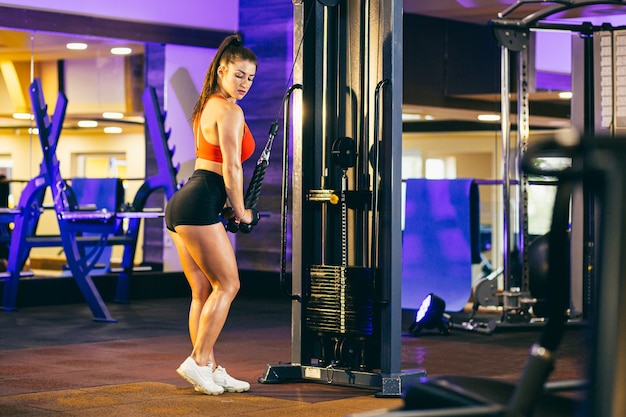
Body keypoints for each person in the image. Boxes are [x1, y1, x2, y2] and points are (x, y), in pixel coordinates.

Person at [164, 34, 258, 395]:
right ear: (222, 71)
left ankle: (211, 367)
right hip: (201, 200)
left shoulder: (206, 106)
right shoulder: (230, 110)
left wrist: (226, 206)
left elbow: (214, 162)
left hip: (185, 202)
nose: (244, 84)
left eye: (250, 78)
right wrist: (241, 211)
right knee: (229, 285)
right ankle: (198, 361)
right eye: (238, 75)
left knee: (202, 291)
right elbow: (231, 168)